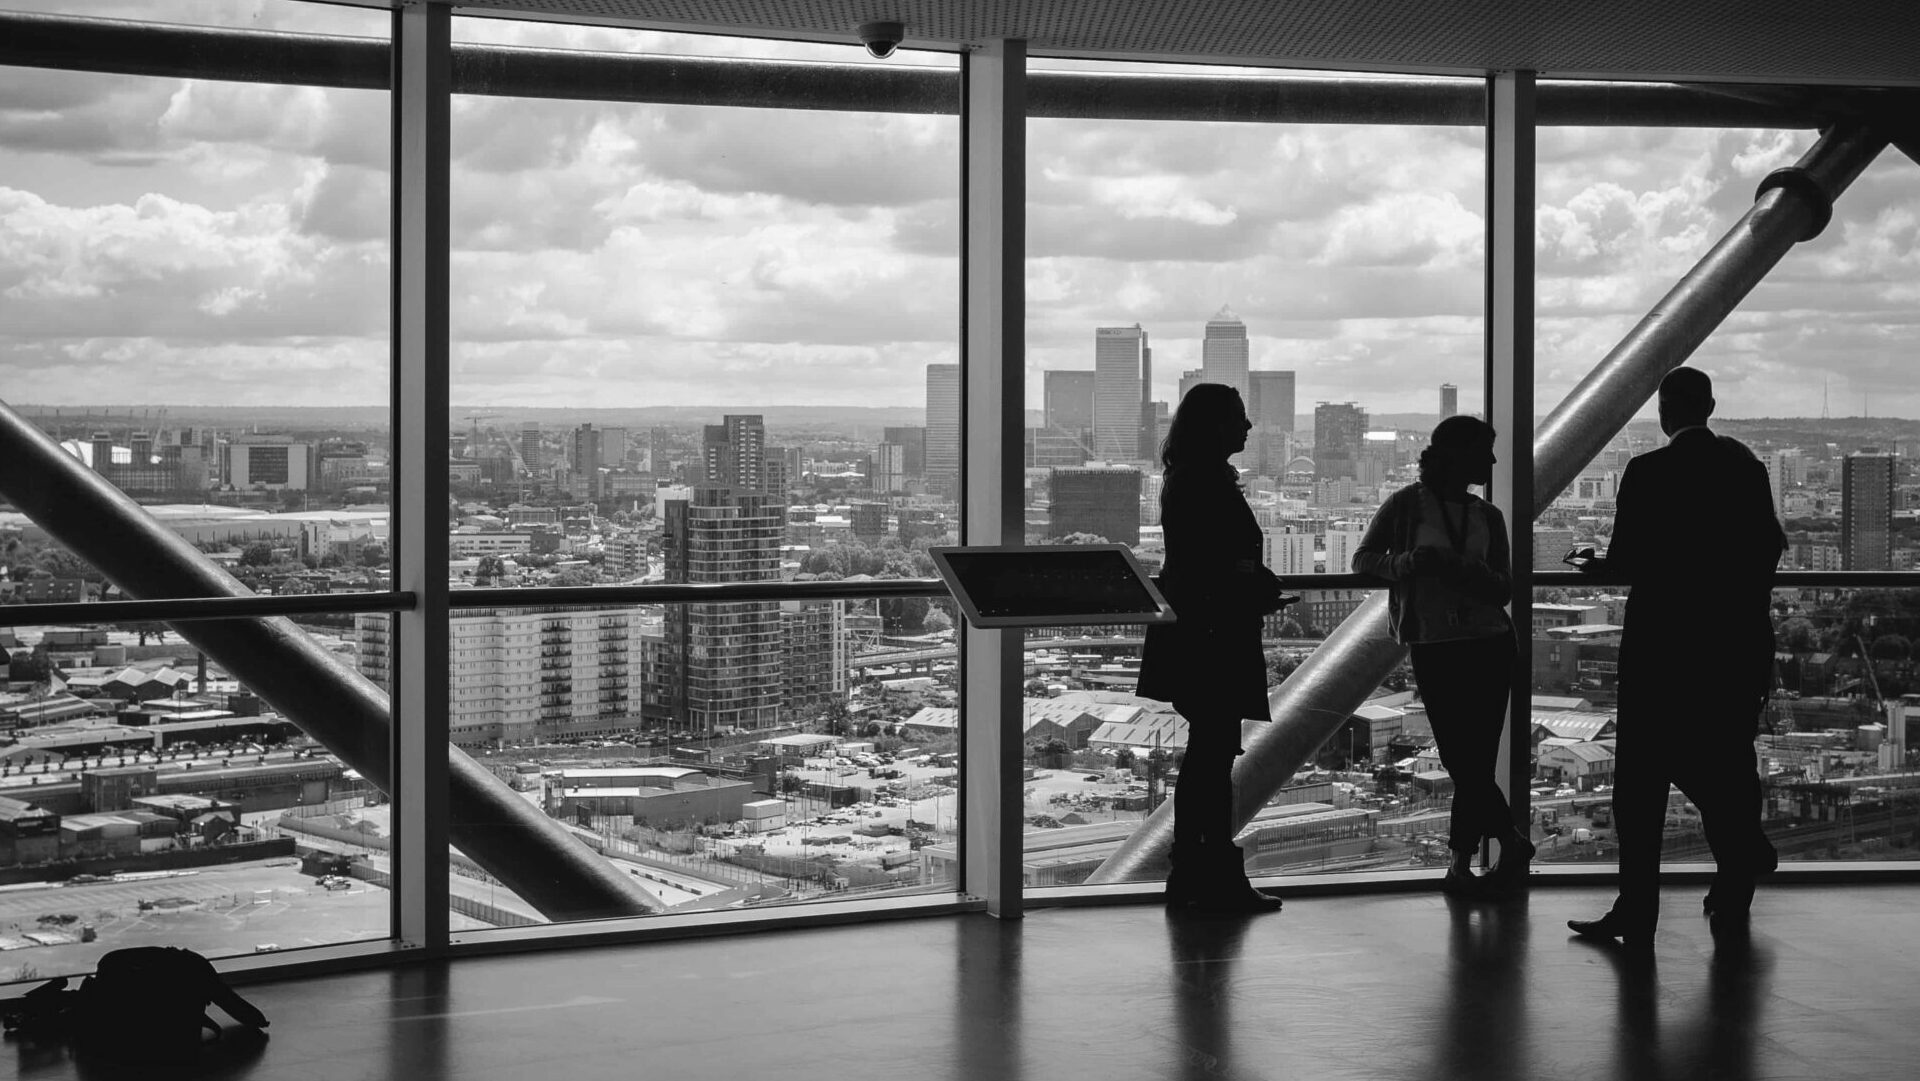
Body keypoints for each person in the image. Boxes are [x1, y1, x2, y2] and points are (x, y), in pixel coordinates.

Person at [1568, 366, 1785, 946]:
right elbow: (1768, 547)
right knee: (1730, 758)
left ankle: (1638, 910)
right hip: (1734, 644)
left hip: (1663, 646)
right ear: (1710, 406)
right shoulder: (1747, 470)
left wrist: (1595, 567)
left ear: (1665, 413)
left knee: (1641, 782)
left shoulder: (1648, 470)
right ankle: (1736, 877)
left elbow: (1628, 560)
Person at [1353, 415, 1528, 896]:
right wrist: (1406, 564)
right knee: (1464, 758)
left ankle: (1460, 864)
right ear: (1459, 456)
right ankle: (1506, 842)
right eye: (1485, 451)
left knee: (1469, 759)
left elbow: (1502, 587)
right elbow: (1364, 560)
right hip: (1454, 644)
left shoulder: (1484, 515)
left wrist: (1451, 568)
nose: (1492, 461)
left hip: (1478, 643)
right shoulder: (1407, 506)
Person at [1136, 383, 1292, 914]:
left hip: (1197, 633)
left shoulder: (1188, 478)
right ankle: (1212, 876)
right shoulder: (1205, 481)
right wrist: (1253, 585)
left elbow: (1198, 560)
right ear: (1215, 426)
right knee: (1212, 761)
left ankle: (1194, 876)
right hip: (1213, 637)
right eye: (1240, 419)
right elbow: (1212, 563)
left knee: (1208, 758)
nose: (1248, 428)